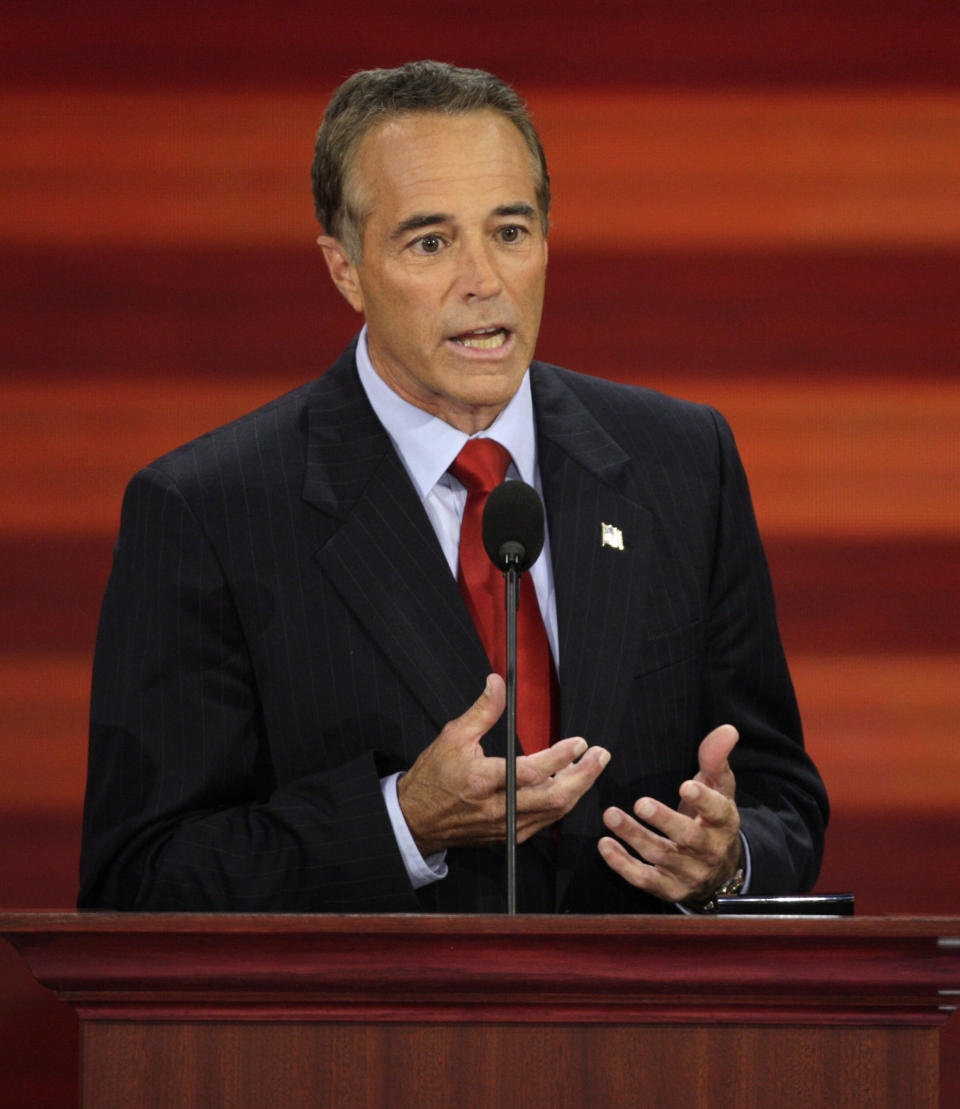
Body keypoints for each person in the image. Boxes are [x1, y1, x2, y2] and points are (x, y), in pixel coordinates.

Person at [79, 61, 828, 914]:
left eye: (510, 231)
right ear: (345, 269)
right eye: (430, 243)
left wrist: (727, 859)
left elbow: (782, 802)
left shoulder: (685, 462)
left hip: (639, 1040)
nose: (483, 281)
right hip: (373, 1044)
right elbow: (139, 879)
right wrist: (403, 820)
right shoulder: (209, 511)